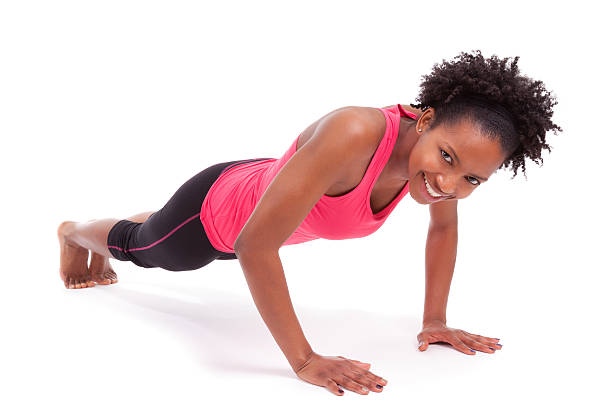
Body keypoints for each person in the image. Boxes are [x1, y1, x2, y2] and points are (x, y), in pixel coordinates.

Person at [56, 50, 561, 396]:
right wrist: (303, 360)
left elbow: (443, 228)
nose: (449, 184)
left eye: (473, 178)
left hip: (264, 211)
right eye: (447, 158)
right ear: (424, 119)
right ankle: (76, 232)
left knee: (170, 229)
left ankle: (150, 219)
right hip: (216, 215)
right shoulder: (356, 130)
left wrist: (434, 322)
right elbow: (256, 245)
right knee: (147, 248)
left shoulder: (435, 172)